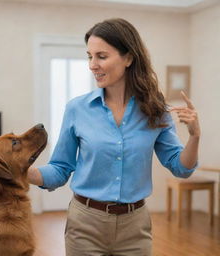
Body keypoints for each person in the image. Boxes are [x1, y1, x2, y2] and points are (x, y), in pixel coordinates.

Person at [28, 18, 200, 256]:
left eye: (101, 56)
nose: (92, 65)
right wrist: (22, 172)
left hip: (135, 227)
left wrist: (194, 137)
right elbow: (60, 168)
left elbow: (182, 168)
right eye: (89, 56)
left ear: (128, 58)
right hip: (85, 225)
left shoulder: (156, 109)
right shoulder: (77, 109)